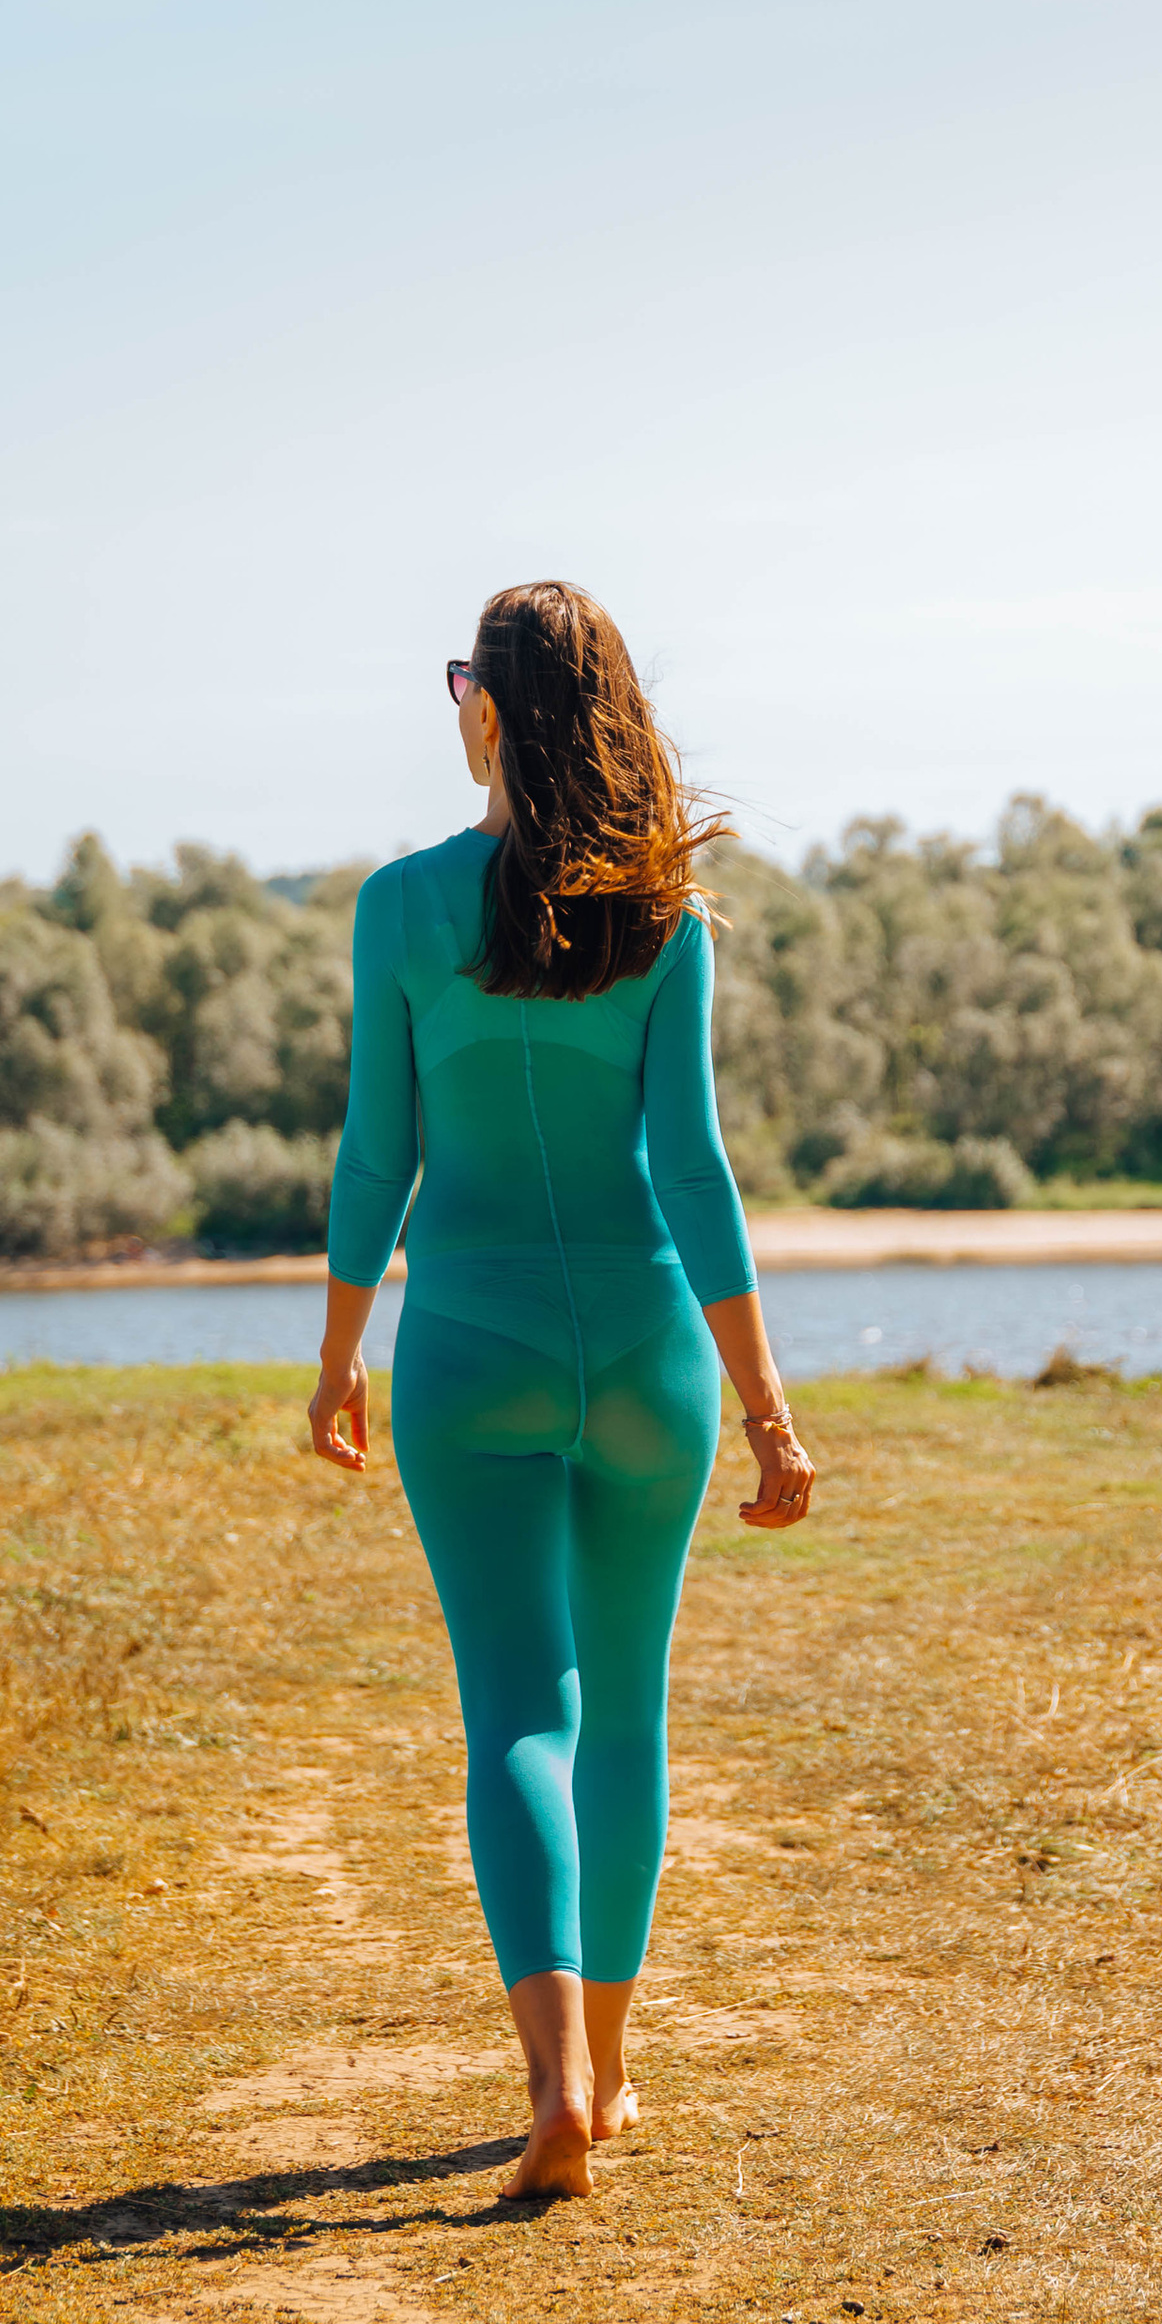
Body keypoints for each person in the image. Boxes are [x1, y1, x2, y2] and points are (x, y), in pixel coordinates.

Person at [307, 581, 814, 2197]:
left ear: (493, 710)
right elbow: (692, 1168)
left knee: (521, 1712)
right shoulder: (662, 921)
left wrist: (335, 1354)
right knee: (627, 1718)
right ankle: (612, 2071)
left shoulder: (400, 906)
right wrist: (767, 1407)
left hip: (467, 1348)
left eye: (462, 681)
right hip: (650, 1352)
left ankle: (554, 2092)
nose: (453, 704)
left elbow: (378, 1152)